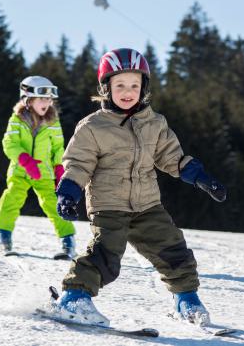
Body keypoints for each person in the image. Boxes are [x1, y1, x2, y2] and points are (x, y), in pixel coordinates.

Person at [47, 48, 226, 326]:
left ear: (144, 87)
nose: (128, 91)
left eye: (134, 84)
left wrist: (200, 176)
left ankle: (186, 300)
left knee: (173, 248)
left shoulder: (155, 123)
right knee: (105, 254)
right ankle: (74, 298)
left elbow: (172, 157)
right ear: (106, 88)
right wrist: (68, 193)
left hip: (148, 205)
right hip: (109, 206)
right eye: (119, 85)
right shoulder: (93, 127)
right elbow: (78, 165)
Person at [0, 76, 76, 258]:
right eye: (42, 98)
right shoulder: (17, 119)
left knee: (54, 204)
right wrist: (25, 160)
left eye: (49, 98)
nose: (47, 102)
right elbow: (10, 142)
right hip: (21, 170)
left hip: (43, 172)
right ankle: (3, 236)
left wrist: (59, 168)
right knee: (12, 198)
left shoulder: (53, 121)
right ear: (28, 99)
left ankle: (68, 241)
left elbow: (58, 147)